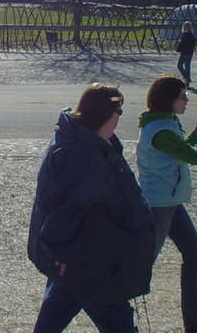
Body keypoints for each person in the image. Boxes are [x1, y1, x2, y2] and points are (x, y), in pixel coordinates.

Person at [27, 83, 155, 333]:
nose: (119, 118)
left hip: (88, 251)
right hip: (89, 257)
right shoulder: (82, 152)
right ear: (106, 114)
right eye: (118, 112)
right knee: (114, 317)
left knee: (59, 305)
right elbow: (68, 207)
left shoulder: (90, 140)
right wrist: (60, 251)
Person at [137, 75, 197, 333]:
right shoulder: (161, 129)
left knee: (194, 254)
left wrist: (195, 136)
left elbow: (178, 153)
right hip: (160, 203)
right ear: (168, 99)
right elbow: (196, 158)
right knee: (142, 265)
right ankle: (115, 315)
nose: (186, 100)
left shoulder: (164, 123)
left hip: (171, 200)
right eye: (182, 96)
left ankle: (195, 322)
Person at [176, 21, 196, 87]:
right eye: (185, 26)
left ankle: (187, 80)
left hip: (188, 52)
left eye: (187, 26)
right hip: (183, 52)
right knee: (179, 65)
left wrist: (181, 43)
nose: (186, 27)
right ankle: (186, 77)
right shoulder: (184, 34)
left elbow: (191, 44)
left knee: (187, 67)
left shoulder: (190, 35)